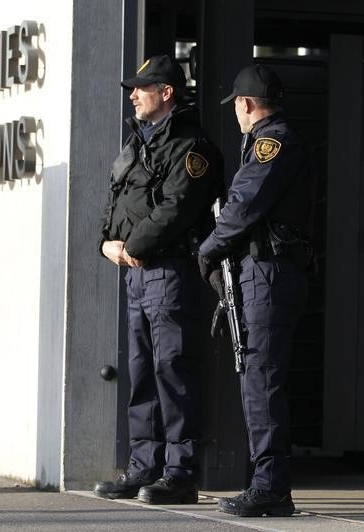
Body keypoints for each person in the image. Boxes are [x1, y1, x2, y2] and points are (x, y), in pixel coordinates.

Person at [94, 55, 222, 505]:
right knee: (142, 371)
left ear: (166, 93)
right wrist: (106, 240)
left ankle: (180, 474)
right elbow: (116, 195)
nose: (132, 94)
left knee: (174, 371)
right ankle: (143, 466)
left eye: (141, 88)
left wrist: (132, 247)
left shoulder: (191, 148)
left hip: (169, 271)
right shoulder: (140, 142)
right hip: (138, 273)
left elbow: (176, 208)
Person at [198, 64, 312, 517]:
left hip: (268, 271)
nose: (236, 114)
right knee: (258, 377)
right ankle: (267, 482)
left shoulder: (272, 142)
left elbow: (242, 206)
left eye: (236, 107)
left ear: (245, 104)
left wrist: (206, 250)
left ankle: (270, 486)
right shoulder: (268, 140)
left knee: (261, 378)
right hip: (264, 271)